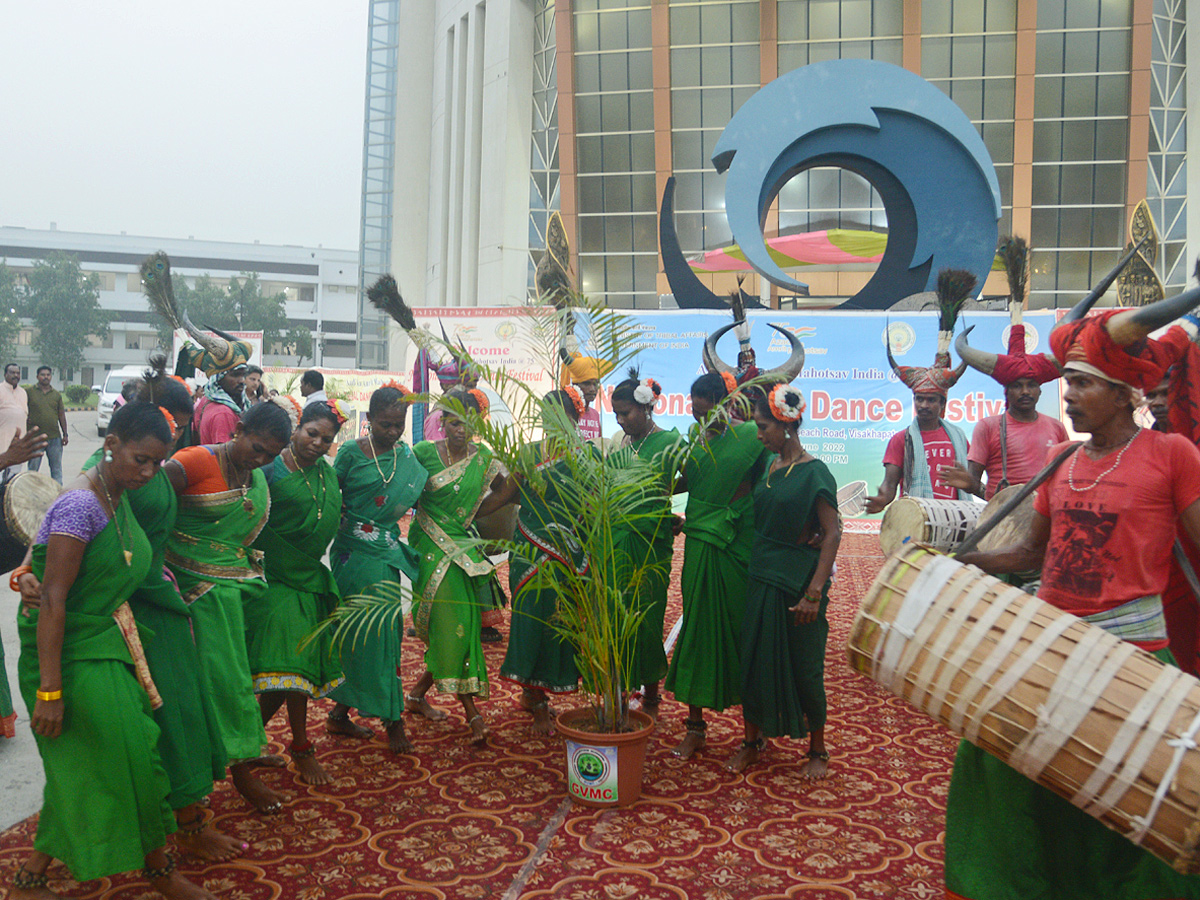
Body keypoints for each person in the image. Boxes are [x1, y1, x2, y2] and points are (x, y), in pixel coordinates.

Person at [951, 294, 1200, 900]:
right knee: (993, 768)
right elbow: (1031, 557)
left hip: (1135, 657)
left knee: (1135, 810)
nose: (1068, 396)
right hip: (1054, 650)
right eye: (1068, 382)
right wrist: (958, 563)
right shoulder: (1061, 460)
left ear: (1124, 392)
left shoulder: (1172, 456)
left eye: (1083, 384)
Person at [9, 401, 218, 900]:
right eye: (139, 459)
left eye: (156, 461)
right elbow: (55, 599)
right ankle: (159, 871)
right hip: (68, 653)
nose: (148, 471)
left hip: (104, 641)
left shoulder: (116, 492)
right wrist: (50, 692)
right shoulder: (81, 504)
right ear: (111, 445)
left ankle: (30, 878)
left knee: (108, 759)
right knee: (129, 759)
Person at [163, 402, 292, 814]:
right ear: (237, 428)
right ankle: (230, 774)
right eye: (257, 448)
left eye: (271, 456)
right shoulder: (194, 461)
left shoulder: (254, 478)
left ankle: (235, 761)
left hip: (232, 589)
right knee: (217, 684)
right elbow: (146, 507)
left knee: (235, 679)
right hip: (188, 590)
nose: (261, 460)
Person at [725, 385, 841, 778]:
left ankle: (818, 750)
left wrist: (814, 592)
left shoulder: (815, 472)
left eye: (763, 427)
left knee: (804, 664)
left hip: (798, 582)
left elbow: (833, 533)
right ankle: (751, 742)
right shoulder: (768, 466)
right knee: (753, 660)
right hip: (760, 574)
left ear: (786, 426)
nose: (758, 435)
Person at [325, 384, 441, 754]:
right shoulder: (349, 453)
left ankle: (353, 715)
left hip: (386, 553)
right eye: (385, 424)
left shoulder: (407, 457)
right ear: (369, 420)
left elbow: (428, 493)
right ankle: (385, 720)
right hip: (352, 555)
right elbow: (330, 496)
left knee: (383, 635)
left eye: (399, 424)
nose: (393, 432)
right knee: (363, 633)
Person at [665, 372, 768, 759]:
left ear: (729, 403)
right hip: (699, 547)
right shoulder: (693, 440)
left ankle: (752, 738)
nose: (702, 420)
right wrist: (645, 485)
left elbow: (767, 489)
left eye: (708, 411)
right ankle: (695, 729)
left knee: (742, 636)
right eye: (695, 412)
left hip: (737, 546)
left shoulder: (751, 440)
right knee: (695, 634)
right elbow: (688, 482)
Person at [245, 400, 345, 785]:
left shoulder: (326, 474)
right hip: (273, 579)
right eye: (312, 433)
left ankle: (247, 741)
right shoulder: (268, 471)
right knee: (291, 667)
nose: (318, 443)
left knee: (290, 671)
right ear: (296, 428)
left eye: (327, 438)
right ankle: (301, 748)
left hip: (309, 577)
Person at [410, 388, 517, 745]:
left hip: (464, 547)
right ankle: (474, 717)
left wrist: (474, 513)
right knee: (452, 623)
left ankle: (414, 696)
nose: (460, 429)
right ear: (442, 422)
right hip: (430, 546)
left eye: (467, 422)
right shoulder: (423, 454)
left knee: (457, 624)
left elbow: (509, 490)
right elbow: (401, 493)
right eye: (454, 422)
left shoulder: (484, 459)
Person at [500, 388, 589, 733]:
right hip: (531, 550)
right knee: (530, 621)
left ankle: (536, 693)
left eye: (558, 416)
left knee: (559, 623)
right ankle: (536, 701)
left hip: (570, 550)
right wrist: (465, 518)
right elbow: (506, 495)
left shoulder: (588, 456)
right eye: (544, 416)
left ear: (575, 418)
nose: (549, 423)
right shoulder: (529, 453)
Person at [866, 271, 975, 513]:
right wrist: (881, 500)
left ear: (942, 402)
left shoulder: (958, 438)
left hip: (955, 520)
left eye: (931, 400)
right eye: (919, 399)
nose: (924, 405)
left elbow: (969, 482)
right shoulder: (900, 440)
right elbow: (889, 485)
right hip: (916, 519)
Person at [609, 370, 681, 713]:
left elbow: (691, 480)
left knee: (647, 618)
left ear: (647, 408)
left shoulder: (669, 442)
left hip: (650, 545)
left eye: (626, 413)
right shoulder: (622, 445)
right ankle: (620, 691)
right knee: (617, 615)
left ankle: (651, 694)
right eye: (617, 415)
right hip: (616, 542)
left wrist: (663, 505)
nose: (621, 420)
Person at [945, 326, 1068, 499]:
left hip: (1049, 518)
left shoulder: (1057, 427)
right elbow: (973, 482)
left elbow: (1065, 479)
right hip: (1003, 521)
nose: (1025, 391)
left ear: (1040, 390)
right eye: (1017, 385)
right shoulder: (988, 427)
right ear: (1006, 391)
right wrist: (970, 485)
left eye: (1031, 385)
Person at [25, 366, 67, 484]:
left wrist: (65, 434)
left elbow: (61, 415)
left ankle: (58, 496)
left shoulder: (56, 395)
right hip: (35, 438)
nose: (45, 377)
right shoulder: (29, 392)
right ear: (37, 376)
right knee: (33, 470)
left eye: (48, 375)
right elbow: (22, 409)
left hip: (54, 438)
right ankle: (30, 494)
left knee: (56, 470)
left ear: (51, 377)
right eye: (43, 375)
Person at [560, 353, 612, 442]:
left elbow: (599, 446)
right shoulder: (565, 414)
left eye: (595, 384)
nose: (592, 389)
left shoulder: (595, 414)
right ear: (575, 385)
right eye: (586, 384)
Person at [0, 363, 29, 480]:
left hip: (18, 445)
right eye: (12, 372)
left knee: (14, 479)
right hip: (2, 444)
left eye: (18, 373)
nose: (15, 375)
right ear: (5, 374)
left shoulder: (23, 393)